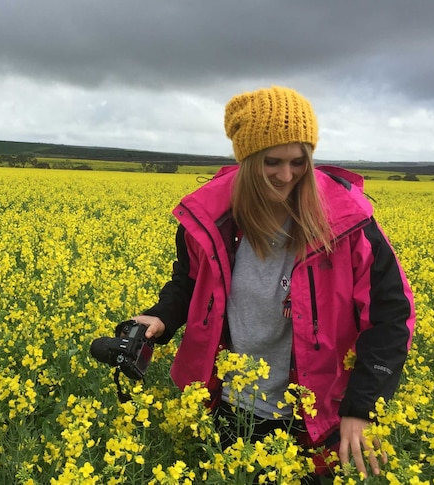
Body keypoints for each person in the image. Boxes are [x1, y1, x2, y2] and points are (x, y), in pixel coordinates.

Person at [132, 86, 416, 478]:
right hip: (228, 407)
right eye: (272, 162)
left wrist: (362, 407)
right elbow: (191, 282)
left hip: (313, 418)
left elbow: (392, 314)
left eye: (299, 161)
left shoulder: (348, 225)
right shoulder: (212, 219)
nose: (287, 176)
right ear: (247, 161)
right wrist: (161, 318)